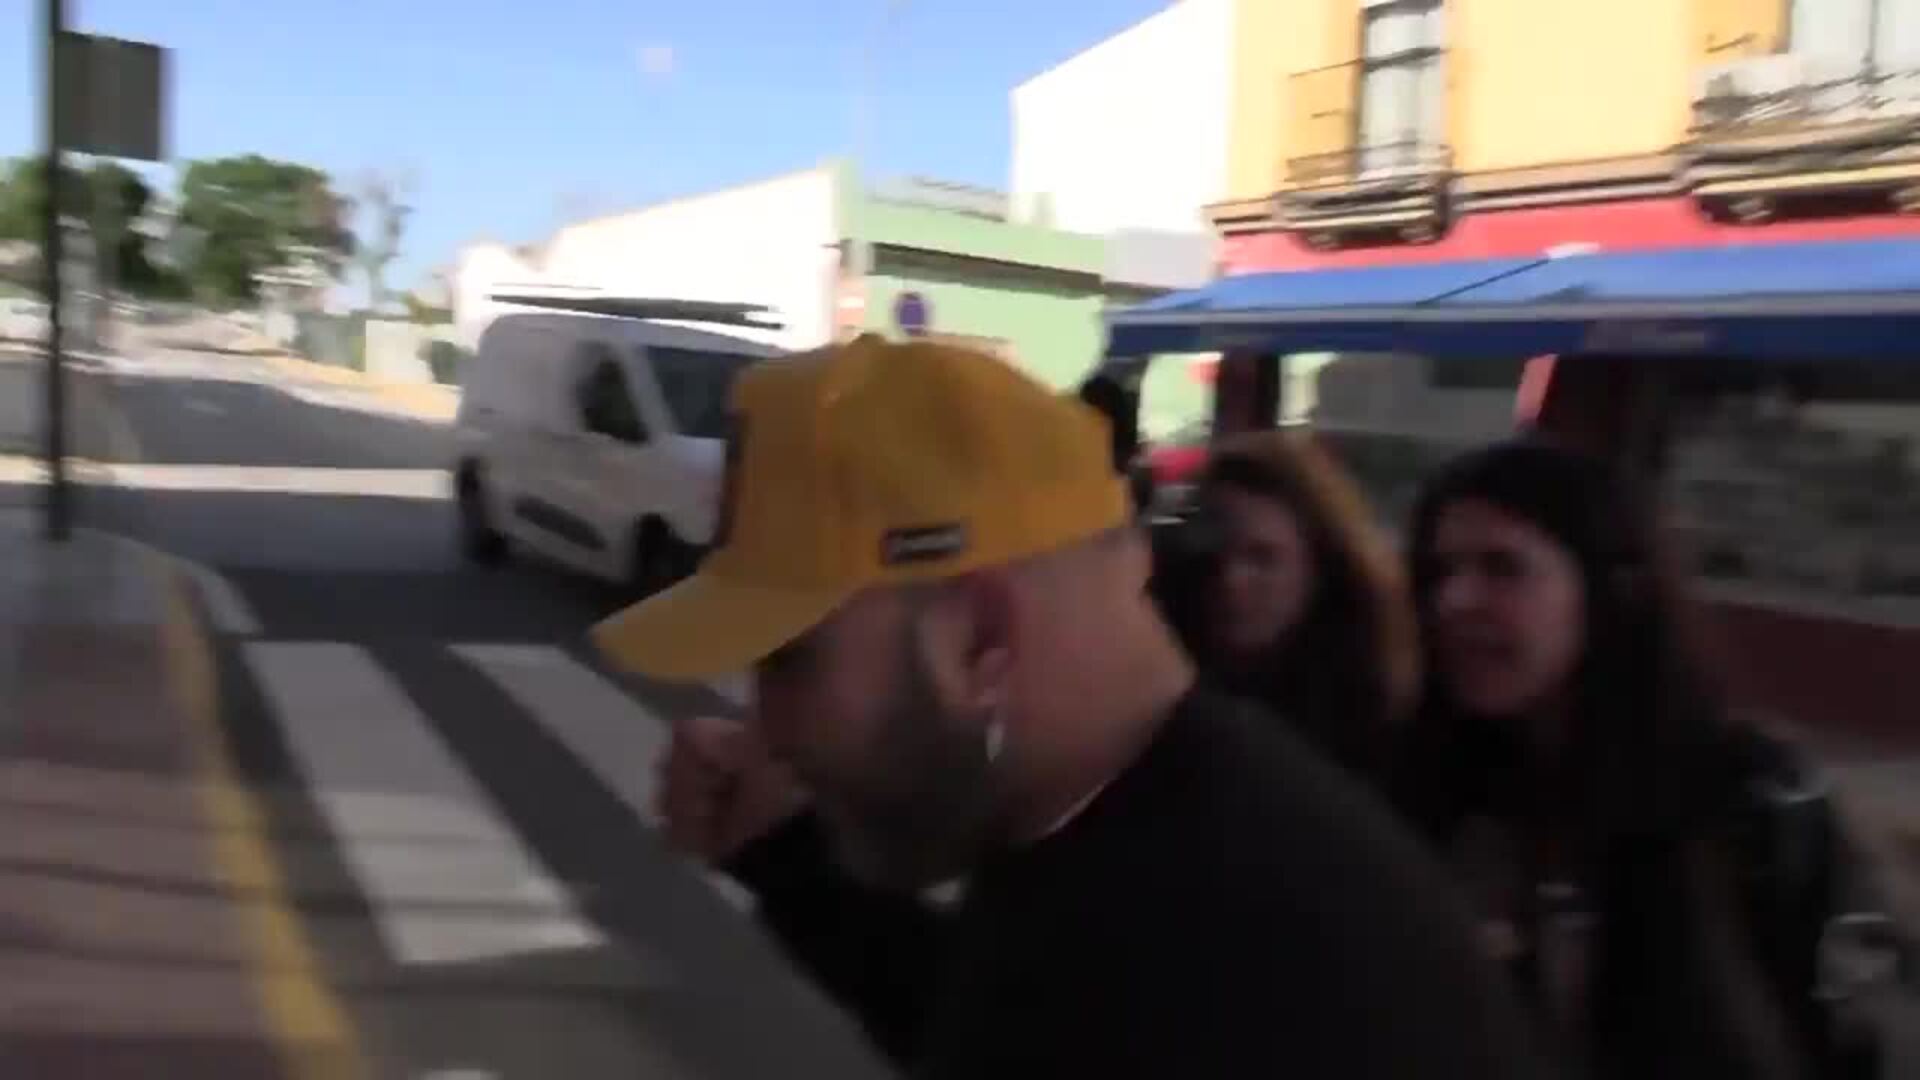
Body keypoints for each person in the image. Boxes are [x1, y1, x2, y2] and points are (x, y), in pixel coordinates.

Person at [593, 334, 1548, 1078]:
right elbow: (992, 1005)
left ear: (980, 639)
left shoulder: (1211, 938)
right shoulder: (1143, 840)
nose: (766, 724)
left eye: (789, 659)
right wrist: (790, 861)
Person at [1392, 438, 1896, 1080]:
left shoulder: (1755, 799)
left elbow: (1864, 1031)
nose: (1456, 601)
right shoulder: (1427, 791)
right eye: (1440, 572)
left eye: (1502, 568)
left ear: (1615, 589)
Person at [1152, 428, 1419, 786]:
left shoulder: (1372, 710)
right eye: (1214, 552)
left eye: (1263, 558)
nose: (1231, 579)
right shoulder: (1162, 681)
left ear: (1320, 566)